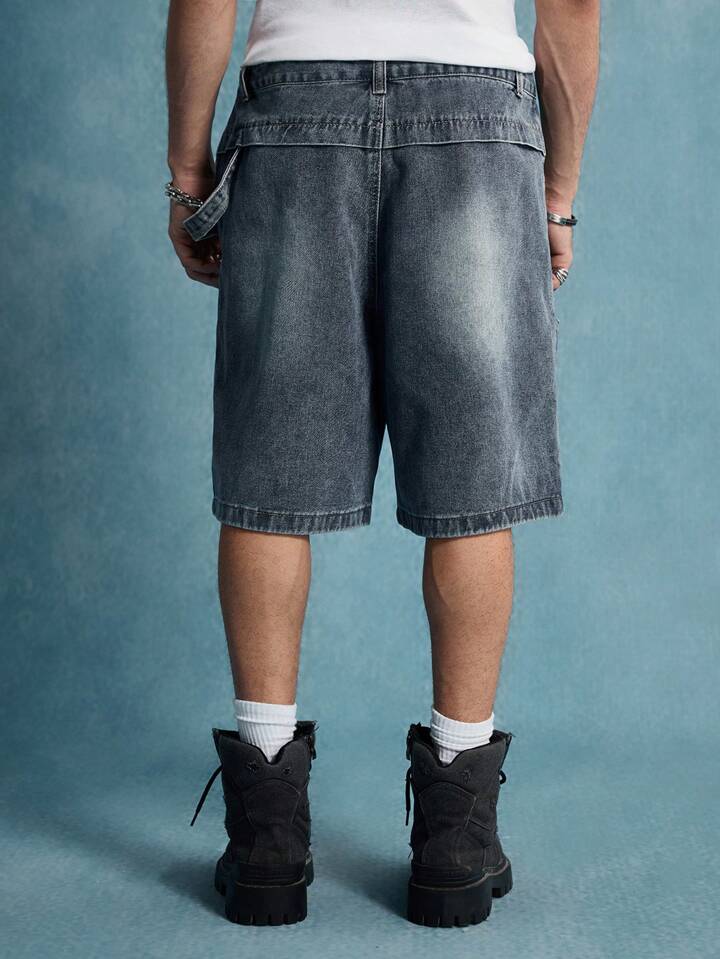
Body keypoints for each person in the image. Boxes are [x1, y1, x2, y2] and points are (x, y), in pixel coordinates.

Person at [167, 0, 599, 929]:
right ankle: (455, 848)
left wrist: (187, 170)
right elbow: (573, 5)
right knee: (473, 487)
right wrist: (557, 191)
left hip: (294, 109)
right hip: (476, 113)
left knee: (269, 480)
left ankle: (267, 846)